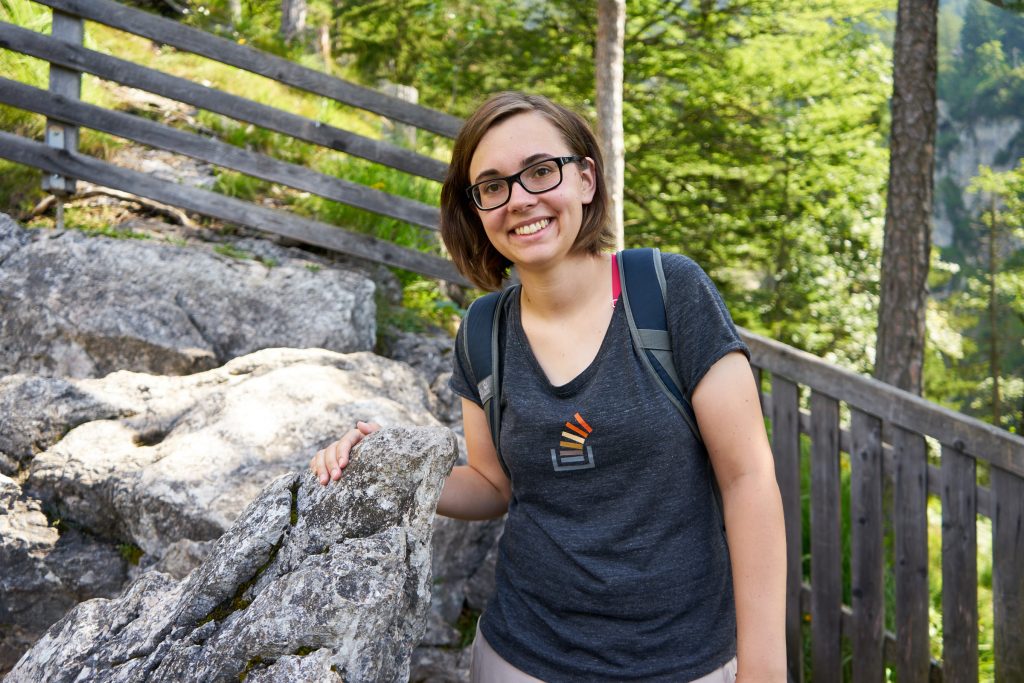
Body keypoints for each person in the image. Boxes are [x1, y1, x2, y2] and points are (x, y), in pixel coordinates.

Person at [311, 92, 787, 683]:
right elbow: (491, 485)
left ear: (585, 178)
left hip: (683, 662)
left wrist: (764, 666)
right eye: (493, 185)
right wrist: (388, 460)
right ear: (477, 209)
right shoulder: (483, 331)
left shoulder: (669, 292)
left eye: (540, 171)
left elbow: (748, 478)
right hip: (521, 658)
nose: (520, 200)